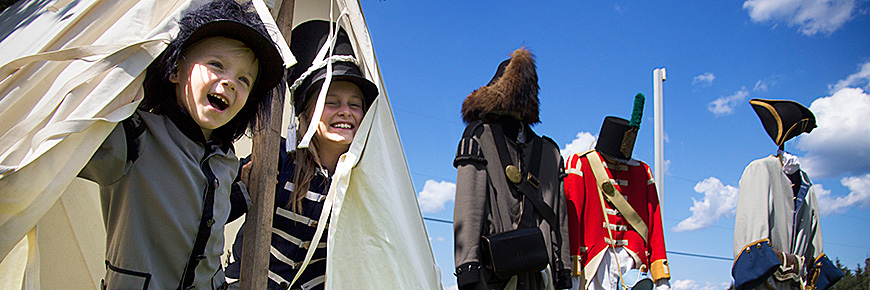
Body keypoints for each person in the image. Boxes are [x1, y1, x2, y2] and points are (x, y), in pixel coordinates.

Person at [76, 1, 284, 289]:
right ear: (175, 70)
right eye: (216, 65)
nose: (230, 82)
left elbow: (200, 216)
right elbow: (68, 146)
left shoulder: (225, 157)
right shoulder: (134, 136)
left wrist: (240, 191)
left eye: (244, 79)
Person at [224, 20, 378, 290]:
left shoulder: (361, 184)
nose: (345, 111)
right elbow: (213, 211)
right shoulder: (277, 158)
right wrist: (241, 191)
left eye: (355, 105)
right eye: (331, 102)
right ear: (306, 113)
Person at [453, 48, 572, 290]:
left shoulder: (549, 152)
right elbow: (469, 206)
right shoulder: (479, 138)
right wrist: (468, 267)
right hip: (496, 274)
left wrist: (562, 269)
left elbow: (559, 217)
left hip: (539, 274)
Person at [732, 99, 843, 290]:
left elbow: (814, 245)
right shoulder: (761, 170)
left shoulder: (805, 181)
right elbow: (753, 244)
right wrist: (790, 263)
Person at [562, 96, 671, 290]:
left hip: (633, 263)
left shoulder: (643, 171)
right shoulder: (581, 164)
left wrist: (661, 276)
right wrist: (572, 268)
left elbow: (655, 224)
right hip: (594, 260)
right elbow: (572, 218)